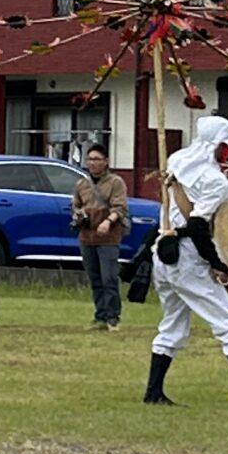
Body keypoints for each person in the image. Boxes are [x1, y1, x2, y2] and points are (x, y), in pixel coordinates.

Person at [143, 111, 228, 409]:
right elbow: (197, 225)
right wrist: (219, 265)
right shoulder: (214, 181)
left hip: (163, 255)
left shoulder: (176, 161)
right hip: (186, 258)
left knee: (173, 324)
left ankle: (154, 392)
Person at [70, 141, 129, 329]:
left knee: (109, 277)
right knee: (94, 277)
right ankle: (100, 316)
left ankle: (113, 317)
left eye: (97, 159)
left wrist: (108, 221)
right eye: (90, 159)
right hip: (87, 235)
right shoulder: (81, 184)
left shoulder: (115, 182)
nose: (93, 163)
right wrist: (78, 215)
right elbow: (76, 205)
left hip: (108, 236)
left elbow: (120, 208)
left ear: (106, 161)